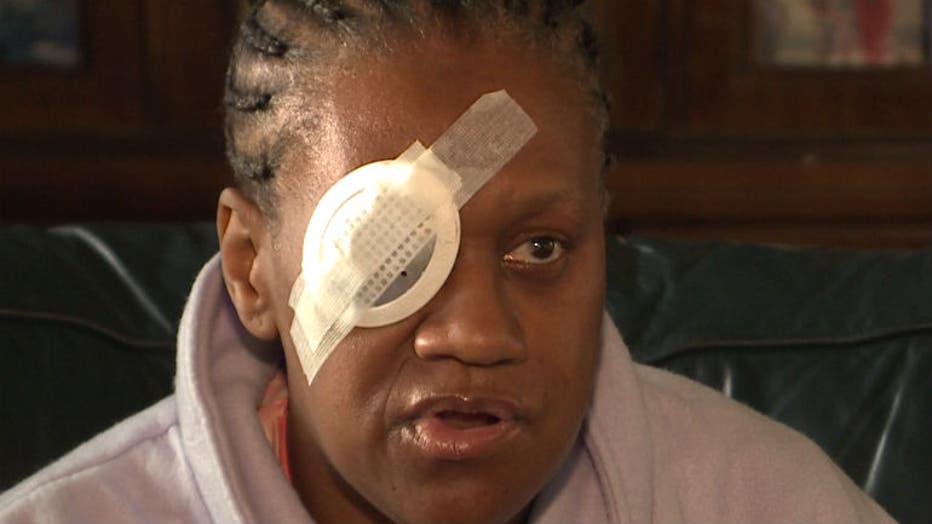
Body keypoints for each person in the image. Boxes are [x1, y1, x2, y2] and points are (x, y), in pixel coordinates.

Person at [0, 1, 895, 523]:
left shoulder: (771, 501)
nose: (476, 333)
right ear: (250, 269)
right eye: (388, 246)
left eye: (539, 248)